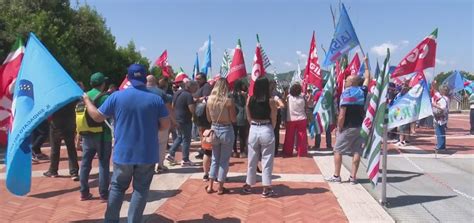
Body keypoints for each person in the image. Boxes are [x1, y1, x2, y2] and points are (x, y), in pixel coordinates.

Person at [83, 64, 170, 223]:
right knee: (141, 190)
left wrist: (87, 101)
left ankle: (110, 220)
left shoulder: (116, 96)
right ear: (145, 78)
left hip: (123, 153)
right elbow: (165, 125)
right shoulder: (156, 99)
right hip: (147, 153)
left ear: (128, 77)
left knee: (117, 188)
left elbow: (97, 117)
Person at [326, 58, 370, 184]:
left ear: (351, 83)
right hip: (360, 126)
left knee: (338, 150)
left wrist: (339, 127)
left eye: (347, 80)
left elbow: (342, 114)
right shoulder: (362, 91)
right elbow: (368, 78)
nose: (345, 81)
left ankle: (336, 176)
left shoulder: (347, 94)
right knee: (357, 151)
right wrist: (366, 64)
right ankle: (353, 177)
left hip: (348, 127)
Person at [79, 72, 113, 201]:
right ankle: (104, 194)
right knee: (103, 164)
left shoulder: (84, 96)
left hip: (87, 134)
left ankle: (84, 192)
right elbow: (110, 115)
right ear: (102, 84)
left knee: (85, 164)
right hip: (103, 136)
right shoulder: (104, 98)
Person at [243, 76, 278, 198]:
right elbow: (274, 117)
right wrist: (270, 127)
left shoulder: (250, 99)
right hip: (266, 128)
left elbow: (247, 114)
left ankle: (248, 184)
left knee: (252, 159)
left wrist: (252, 123)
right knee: (267, 159)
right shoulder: (271, 101)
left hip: (253, 127)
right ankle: (266, 187)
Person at [204, 78, 236, 194]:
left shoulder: (209, 100)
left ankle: (210, 185)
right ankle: (220, 187)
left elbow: (208, 118)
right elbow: (233, 119)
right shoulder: (228, 101)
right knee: (224, 160)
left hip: (214, 129)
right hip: (226, 129)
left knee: (214, 159)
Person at [43, 101, 80, 181]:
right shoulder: (70, 94)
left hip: (56, 122)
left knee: (55, 148)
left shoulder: (56, 95)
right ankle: (74, 172)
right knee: (71, 148)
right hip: (70, 122)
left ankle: (53, 170)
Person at [166, 80, 199, 166]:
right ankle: (185, 159)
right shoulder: (188, 95)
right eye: (195, 87)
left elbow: (173, 105)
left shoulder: (177, 93)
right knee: (186, 140)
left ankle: (170, 153)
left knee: (180, 137)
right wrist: (196, 113)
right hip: (185, 120)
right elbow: (192, 109)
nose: (196, 89)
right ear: (190, 87)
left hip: (177, 118)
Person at [146, 75, 175, 173]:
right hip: (161, 122)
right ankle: (159, 165)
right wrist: (174, 121)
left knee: (148, 144)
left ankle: (147, 166)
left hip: (145, 124)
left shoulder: (141, 91)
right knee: (161, 144)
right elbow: (168, 108)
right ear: (155, 82)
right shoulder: (161, 93)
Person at [283, 83, 308, 157]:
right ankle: (302, 152)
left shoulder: (288, 97)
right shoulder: (303, 96)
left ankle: (288, 152)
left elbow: (284, 105)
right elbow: (306, 107)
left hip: (291, 119)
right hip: (302, 118)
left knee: (289, 136)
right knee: (302, 136)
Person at [193, 72, 213, 160]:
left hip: (204, 115)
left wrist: (196, 99)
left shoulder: (206, 86)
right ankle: (203, 150)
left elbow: (207, 97)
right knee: (201, 133)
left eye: (199, 79)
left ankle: (206, 151)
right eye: (196, 79)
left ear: (204, 79)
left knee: (204, 133)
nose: (197, 80)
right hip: (199, 114)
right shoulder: (199, 87)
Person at [232, 80, 249, 158]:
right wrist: (245, 97)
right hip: (242, 116)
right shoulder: (243, 95)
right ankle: (242, 152)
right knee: (242, 135)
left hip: (233, 116)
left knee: (234, 135)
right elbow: (246, 104)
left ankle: (235, 151)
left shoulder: (231, 94)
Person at [432, 86, 450, 151]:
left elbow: (442, 107)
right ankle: (442, 145)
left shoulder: (443, 99)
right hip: (444, 117)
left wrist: (435, 105)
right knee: (441, 131)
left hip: (440, 118)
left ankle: (440, 146)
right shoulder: (447, 98)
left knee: (439, 132)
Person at [270, 80, 285, 155]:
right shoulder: (277, 94)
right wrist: (276, 107)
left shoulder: (266, 94)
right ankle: (275, 150)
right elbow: (282, 105)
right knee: (276, 132)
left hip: (268, 116)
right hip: (276, 115)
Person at [395, 81, 411, 146]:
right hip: (402, 111)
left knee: (402, 127)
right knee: (405, 127)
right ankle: (406, 141)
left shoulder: (405, 95)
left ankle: (402, 141)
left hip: (403, 112)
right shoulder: (402, 95)